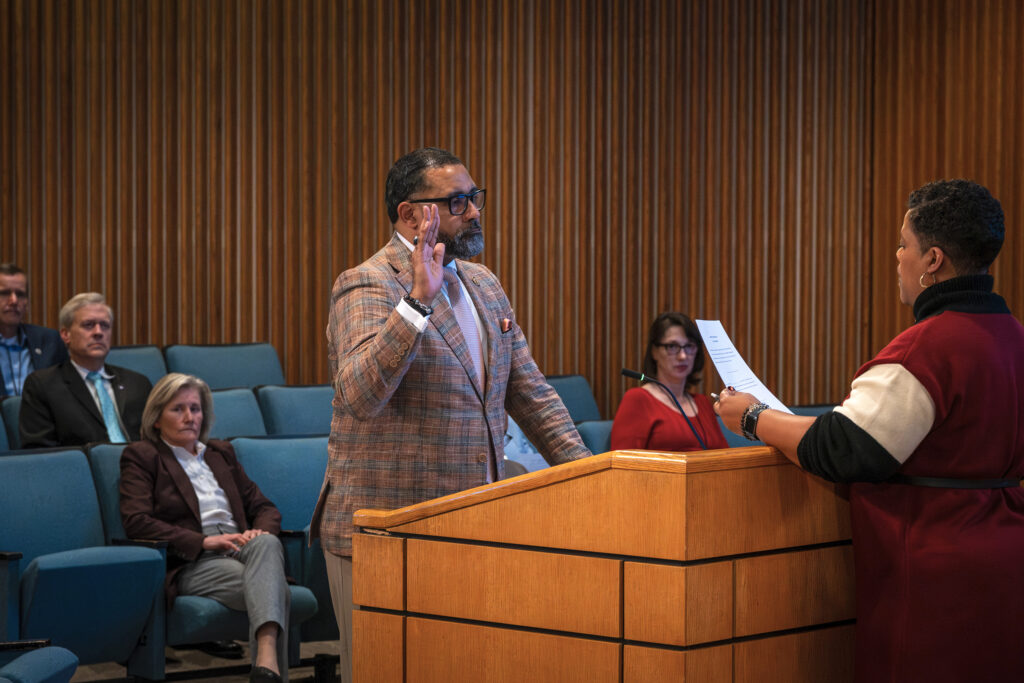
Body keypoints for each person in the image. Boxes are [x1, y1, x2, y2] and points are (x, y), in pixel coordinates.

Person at [714, 179, 1024, 682]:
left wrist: (752, 418)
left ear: (933, 261)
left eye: (904, 244)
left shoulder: (926, 350)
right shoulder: (1014, 337)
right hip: (1005, 565)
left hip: (935, 575)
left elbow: (845, 448)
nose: (897, 256)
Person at [310, 147, 591, 681]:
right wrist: (418, 300)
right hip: (388, 529)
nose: (474, 211)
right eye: (457, 201)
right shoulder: (367, 282)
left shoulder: (483, 283)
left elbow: (531, 394)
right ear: (410, 214)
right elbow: (359, 395)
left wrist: (591, 475)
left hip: (472, 524)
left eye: (474, 197)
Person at [119, 373, 291, 683]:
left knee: (267, 543)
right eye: (178, 409)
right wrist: (203, 542)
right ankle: (268, 665)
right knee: (274, 589)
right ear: (156, 418)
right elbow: (137, 521)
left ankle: (266, 667)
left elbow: (264, 508)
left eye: (195, 409)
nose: (190, 417)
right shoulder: (143, 456)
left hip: (243, 547)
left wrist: (258, 531)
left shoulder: (219, 453)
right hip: (194, 559)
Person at [19, 292, 152, 448]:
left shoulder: (137, 383)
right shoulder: (43, 386)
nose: (98, 332)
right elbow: (41, 451)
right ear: (65, 334)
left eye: (105, 325)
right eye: (88, 325)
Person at [610, 311, 728, 451]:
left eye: (689, 346)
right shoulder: (638, 399)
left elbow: (725, 456)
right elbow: (622, 462)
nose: (682, 356)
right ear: (654, 351)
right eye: (672, 346)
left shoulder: (703, 403)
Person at [0, 263, 67, 397]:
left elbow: (66, 390)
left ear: (27, 302)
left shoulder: (50, 341)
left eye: (20, 294)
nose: (14, 301)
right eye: (5, 293)